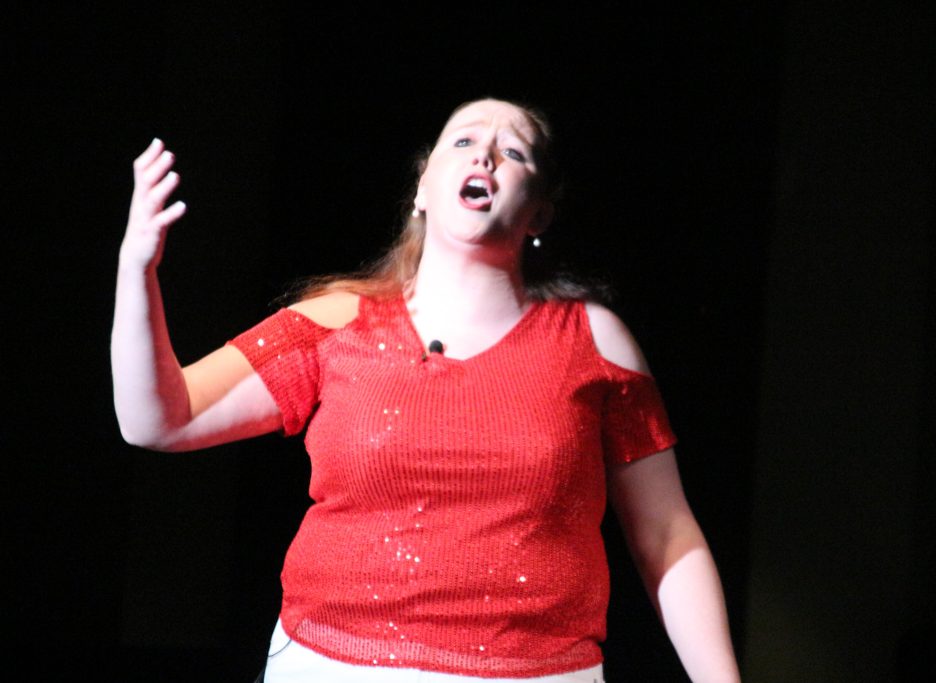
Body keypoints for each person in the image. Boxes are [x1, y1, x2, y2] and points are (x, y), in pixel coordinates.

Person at [112, 98, 742, 683]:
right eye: (463, 141)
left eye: (513, 151)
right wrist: (137, 271)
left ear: (540, 212)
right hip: (332, 667)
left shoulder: (592, 341)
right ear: (422, 187)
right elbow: (158, 420)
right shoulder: (336, 323)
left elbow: (666, 535)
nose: (485, 155)